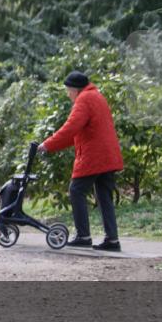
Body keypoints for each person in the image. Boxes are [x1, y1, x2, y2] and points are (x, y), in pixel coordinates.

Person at [38, 71, 124, 251]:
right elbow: (77, 132)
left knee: (76, 190)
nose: (68, 94)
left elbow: (71, 127)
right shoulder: (97, 96)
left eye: (68, 90)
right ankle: (112, 240)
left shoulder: (84, 99)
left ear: (75, 89)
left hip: (95, 155)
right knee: (104, 196)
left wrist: (47, 145)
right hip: (108, 155)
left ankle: (83, 236)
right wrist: (52, 145)